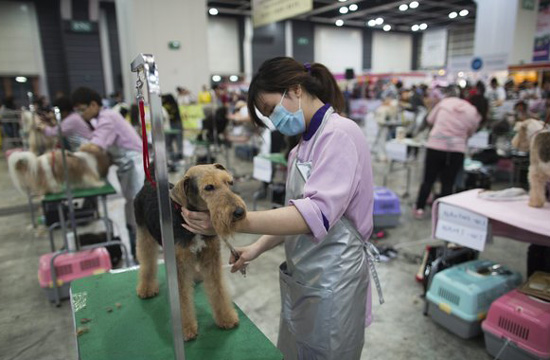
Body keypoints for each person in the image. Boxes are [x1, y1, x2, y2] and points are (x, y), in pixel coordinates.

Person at [181, 57, 379, 359]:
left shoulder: (340, 135)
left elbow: (313, 216)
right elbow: (292, 214)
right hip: (303, 275)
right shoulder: (300, 150)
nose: (274, 121)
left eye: (272, 109)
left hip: (334, 280)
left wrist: (234, 221)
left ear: (295, 90)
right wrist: (256, 248)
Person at [72, 87, 144, 260]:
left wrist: (71, 157)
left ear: (94, 105)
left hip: (134, 164)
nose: (81, 115)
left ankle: (142, 249)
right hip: (125, 166)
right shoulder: (102, 118)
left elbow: (95, 147)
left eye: (82, 109)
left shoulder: (107, 118)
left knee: (137, 207)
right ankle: (138, 248)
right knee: (132, 206)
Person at [413, 86, 482, 219]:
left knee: (428, 180)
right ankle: (443, 212)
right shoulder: (471, 109)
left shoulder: (443, 104)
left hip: (435, 146)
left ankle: (420, 208)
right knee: (448, 182)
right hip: (457, 149)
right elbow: (472, 130)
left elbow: (429, 120)